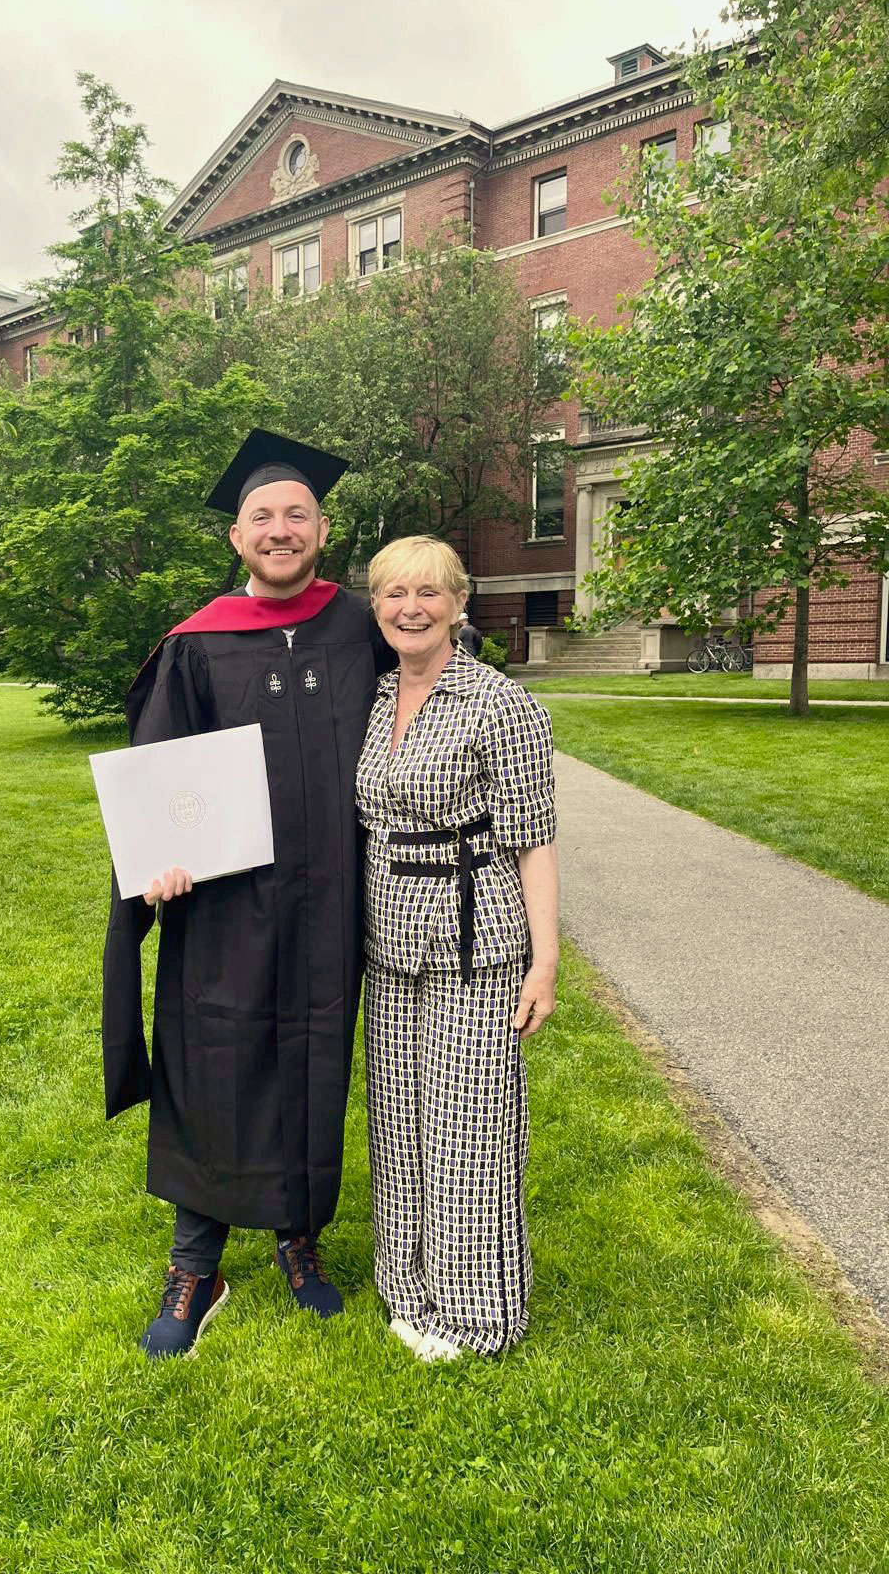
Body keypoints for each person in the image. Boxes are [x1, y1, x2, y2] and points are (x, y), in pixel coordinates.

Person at [102, 429, 392, 1360]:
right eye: (262, 517)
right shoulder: (199, 644)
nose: (280, 530)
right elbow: (158, 778)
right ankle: (197, 1265)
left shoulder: (362, 627)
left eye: (296, 515)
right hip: (225, 905)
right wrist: (159, 863)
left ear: (324, 529)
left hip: (331, 903)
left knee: (313, 1058)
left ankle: (298, 1241)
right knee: (214, 1062)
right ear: (236, 537)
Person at [356, 536, 558, 1363]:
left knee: (468, 1124)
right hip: (388, 938)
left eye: (429, 593)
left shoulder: (499, 705)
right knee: (399, 1120)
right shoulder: (372, 698)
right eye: (395, 593)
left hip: (476, 940)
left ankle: (477, 1315)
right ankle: (408, 1286)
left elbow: (533, 840)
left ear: (458, 601)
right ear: (376, 607)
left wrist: (544, 962)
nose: (411, 607)